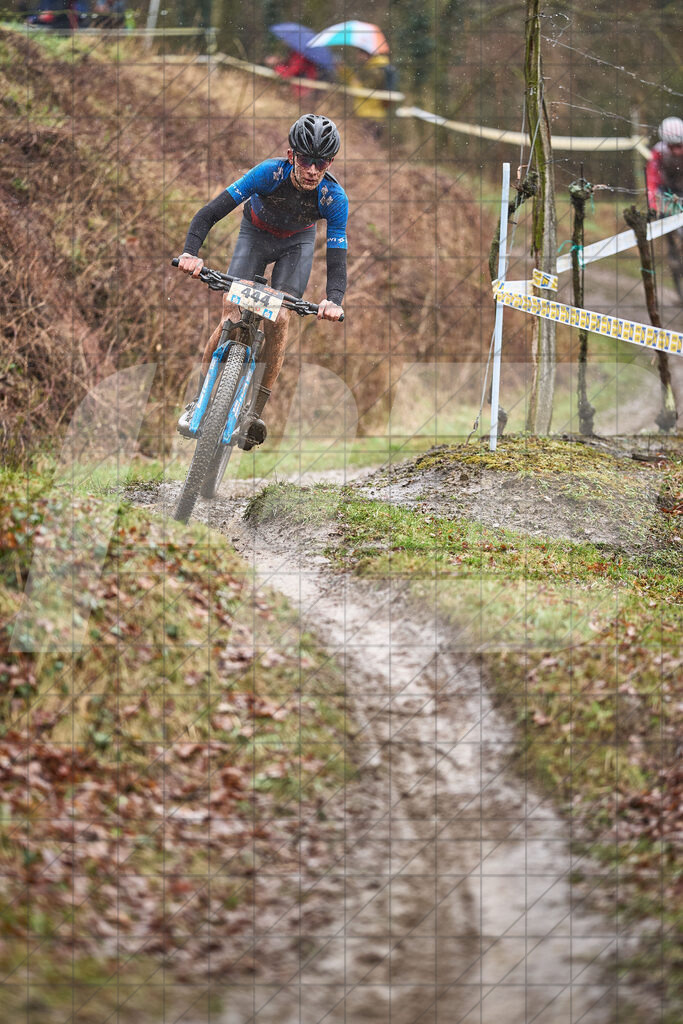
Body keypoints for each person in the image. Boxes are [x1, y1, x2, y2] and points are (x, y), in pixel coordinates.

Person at [175, 114, 347, 449]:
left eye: (321, 162)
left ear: (330, 163)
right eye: (305, 160)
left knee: (280, 318)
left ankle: (254, 412)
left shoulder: (333, 198)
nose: (313, 170)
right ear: (290, 155)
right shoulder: (269, 173)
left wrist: (334, 299)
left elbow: (338, 255)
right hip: (254, 235)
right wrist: (190, 253)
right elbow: (210, 212)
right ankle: (199, 399)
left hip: (295, 246)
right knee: (232, 305)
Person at [646, 116, 683, 214]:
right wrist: (653, 204)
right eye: (671, 146)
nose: (676, 151)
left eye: (679, 145)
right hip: (666, 191)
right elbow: (651, 180)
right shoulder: (658, 152)